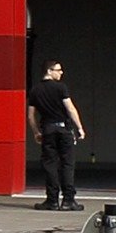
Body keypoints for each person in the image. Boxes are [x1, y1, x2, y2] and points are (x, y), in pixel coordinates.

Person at [32, 60, 86, 211]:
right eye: (58, 70)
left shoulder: (36, 90)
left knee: (50, 164)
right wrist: (80, 127)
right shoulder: (61, 88)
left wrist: (36, 131)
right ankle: (68, 200)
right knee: (67, 164)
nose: (61, 72)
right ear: (49, 71)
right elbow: (70, 108)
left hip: (47, 130)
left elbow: (31, 115)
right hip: (63, 130)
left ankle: (52, 200)